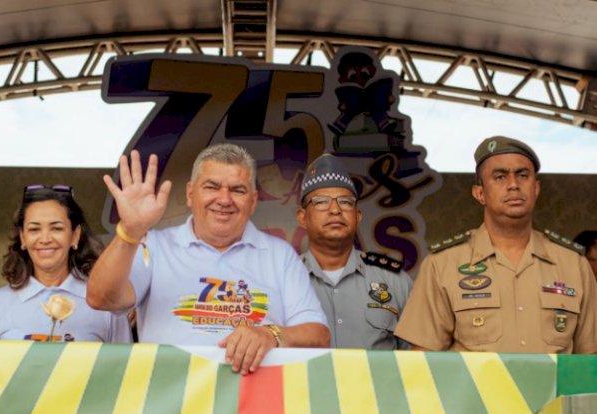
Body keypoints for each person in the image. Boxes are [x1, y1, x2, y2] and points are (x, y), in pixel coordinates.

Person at [87, 143, 330, 375]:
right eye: (212, 187)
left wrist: (271, 335)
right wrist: (130, 231)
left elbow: (318, 336)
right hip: (171, 405)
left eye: (237, 190)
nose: (224, 199)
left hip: (254, 405)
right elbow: (101, 298)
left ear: (253, 201)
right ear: (191, 194)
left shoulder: (281, 255)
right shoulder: (155, 246)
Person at [395, 136, 597, 353]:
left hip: (556, 390)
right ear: (479, 193)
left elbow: (590, 360)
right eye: (500, 176)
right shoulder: (443, 264)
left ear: (536, 188)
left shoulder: (573, 264)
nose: (513, 185)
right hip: (473, 389)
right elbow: (424, 359)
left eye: (522, 175)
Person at [0, 184, 131, 343]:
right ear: (22, 237)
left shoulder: (105, 304)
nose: (45, 239)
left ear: (75, 236)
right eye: (34, 230)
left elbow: (124, 366)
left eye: (56, 228)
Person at [296, 154, 413, 349]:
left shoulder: (395, 281)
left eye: (345, 202)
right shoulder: (282, 281)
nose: (335, 210)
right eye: (321, 201)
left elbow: (419, 360)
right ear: (302, 217)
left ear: (357, 216)